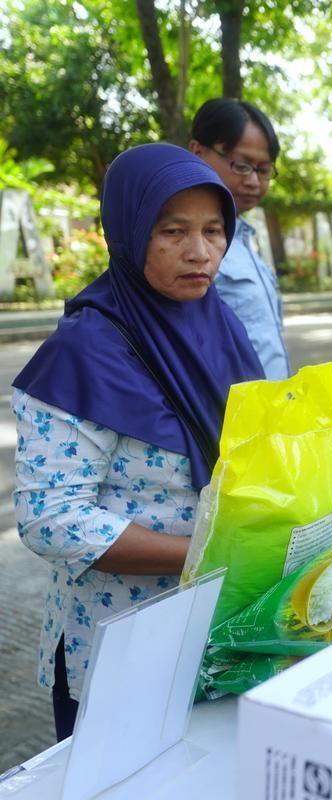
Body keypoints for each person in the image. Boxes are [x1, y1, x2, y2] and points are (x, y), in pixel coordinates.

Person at [11, 144, 265, 741]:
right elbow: (51, 519)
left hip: (218, 628)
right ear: (127, 232)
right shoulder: (84, 352)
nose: (199, 252)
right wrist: (204, 555)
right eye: (172, 231)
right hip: (119, 645)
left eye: (212, 230)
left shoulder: (218, 323)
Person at [189, 98, 290, 380]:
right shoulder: (182, 247)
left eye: (264, 170)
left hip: (271, 416)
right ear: (197, 151)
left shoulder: (244, 239)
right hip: (226, 419)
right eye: (242, 166)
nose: (254, 182)